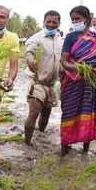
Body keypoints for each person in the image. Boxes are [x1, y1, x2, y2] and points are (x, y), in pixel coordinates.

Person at [60, 6, 96, 156]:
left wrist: (95, 70)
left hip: (90, 83)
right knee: (68, 112)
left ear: (86, 19)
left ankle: (85, 149)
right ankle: (64, 148)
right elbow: (64, 62)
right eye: (73, 19)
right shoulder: (70, 37)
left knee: (88, 111)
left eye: (77, 19)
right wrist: (79, 67)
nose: (75, 22)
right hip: (73, 81)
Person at [24, 10, 63, 146]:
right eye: (49, 22)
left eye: (55, 22)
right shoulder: (36, 38)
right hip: (37, 82)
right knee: (34, 112)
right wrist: (30, 60)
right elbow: (29, 51)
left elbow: (62, 59)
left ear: (59, 24)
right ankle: (27, 144)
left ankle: (40, 136)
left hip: (52, 84)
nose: (51, 24)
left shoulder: (60, 39)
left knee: (46, 114)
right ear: (44, 22)